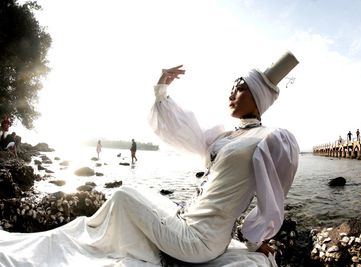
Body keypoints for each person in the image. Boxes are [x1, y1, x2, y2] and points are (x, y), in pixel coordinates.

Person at [0, 51, 300, 266]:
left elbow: (271, 195)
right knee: (143, 196)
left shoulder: (270, 139)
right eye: (232, 87)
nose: (231, 93)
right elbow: (183, 129)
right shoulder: (225, 136)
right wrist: (162, 88)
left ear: (259, 96)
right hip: (187, 221)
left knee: (121, 195)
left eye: (240, 88)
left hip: (198, 243)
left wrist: (255, 239)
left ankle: (97, 246)